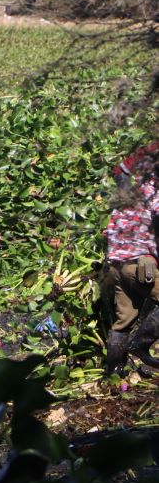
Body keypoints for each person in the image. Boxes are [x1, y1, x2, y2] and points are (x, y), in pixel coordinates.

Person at [102, 156, 159, 375]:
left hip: (116, 266)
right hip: (139, 264)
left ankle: (113, 373)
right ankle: (140, 345)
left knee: (123, 322)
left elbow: (108, 232)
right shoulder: (153, 195)